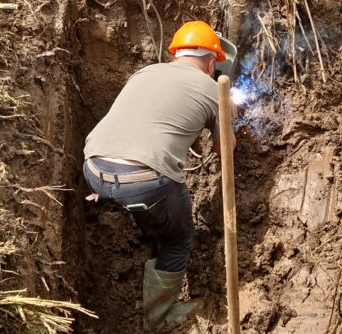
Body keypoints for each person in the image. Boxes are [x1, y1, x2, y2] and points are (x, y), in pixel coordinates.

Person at [82, 21, 236, 330]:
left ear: (176, 54)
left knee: (150, 197)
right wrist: (229, 112)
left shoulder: (145, 72)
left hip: (94, 169)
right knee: (179, 239)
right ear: (210, 63)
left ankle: (144, 222)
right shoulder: (213, 89)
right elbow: (225, 149)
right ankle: (159, 315)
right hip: (144, 182)